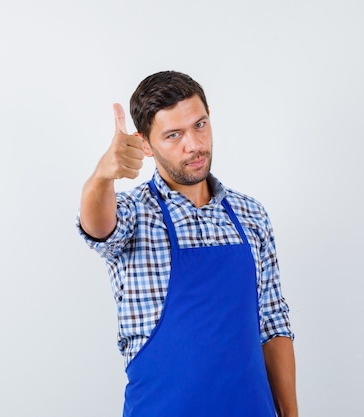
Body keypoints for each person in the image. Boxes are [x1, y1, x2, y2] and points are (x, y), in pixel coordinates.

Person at [76, 70, 297, 417]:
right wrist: (102, 175)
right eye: (173, 135)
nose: (193, 144)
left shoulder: (250, 214)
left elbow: (272, 324)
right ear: (145, 144)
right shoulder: (134, 214)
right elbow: (98, 227)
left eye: (200, 125)